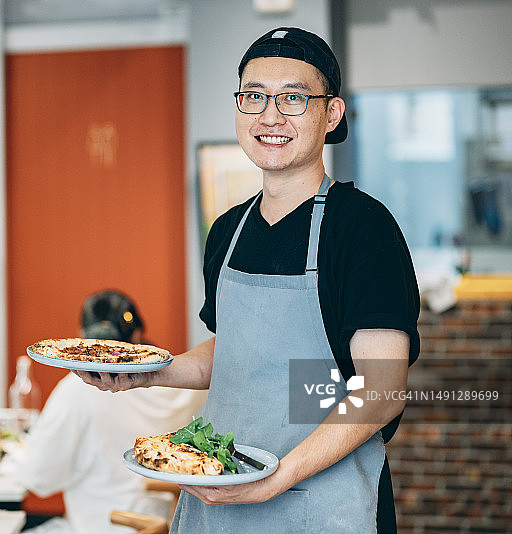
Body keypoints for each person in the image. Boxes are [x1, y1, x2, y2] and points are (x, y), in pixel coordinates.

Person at [76, 28, 420, 534]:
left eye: (294, 98)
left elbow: (383, 388)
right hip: (218, 495)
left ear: (331, 114)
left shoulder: (362, 228)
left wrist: (276, 479)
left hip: (319, 504)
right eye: (254, 96)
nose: (270, 115)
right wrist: (147, 373)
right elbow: (237, 352)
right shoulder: (228, 230)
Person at [13, 290, 207, 534]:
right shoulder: (184, 384)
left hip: (102, 524)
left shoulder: (79, 389)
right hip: (164, 523)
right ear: (137, 333)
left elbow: (37, 476)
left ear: (82, 337)